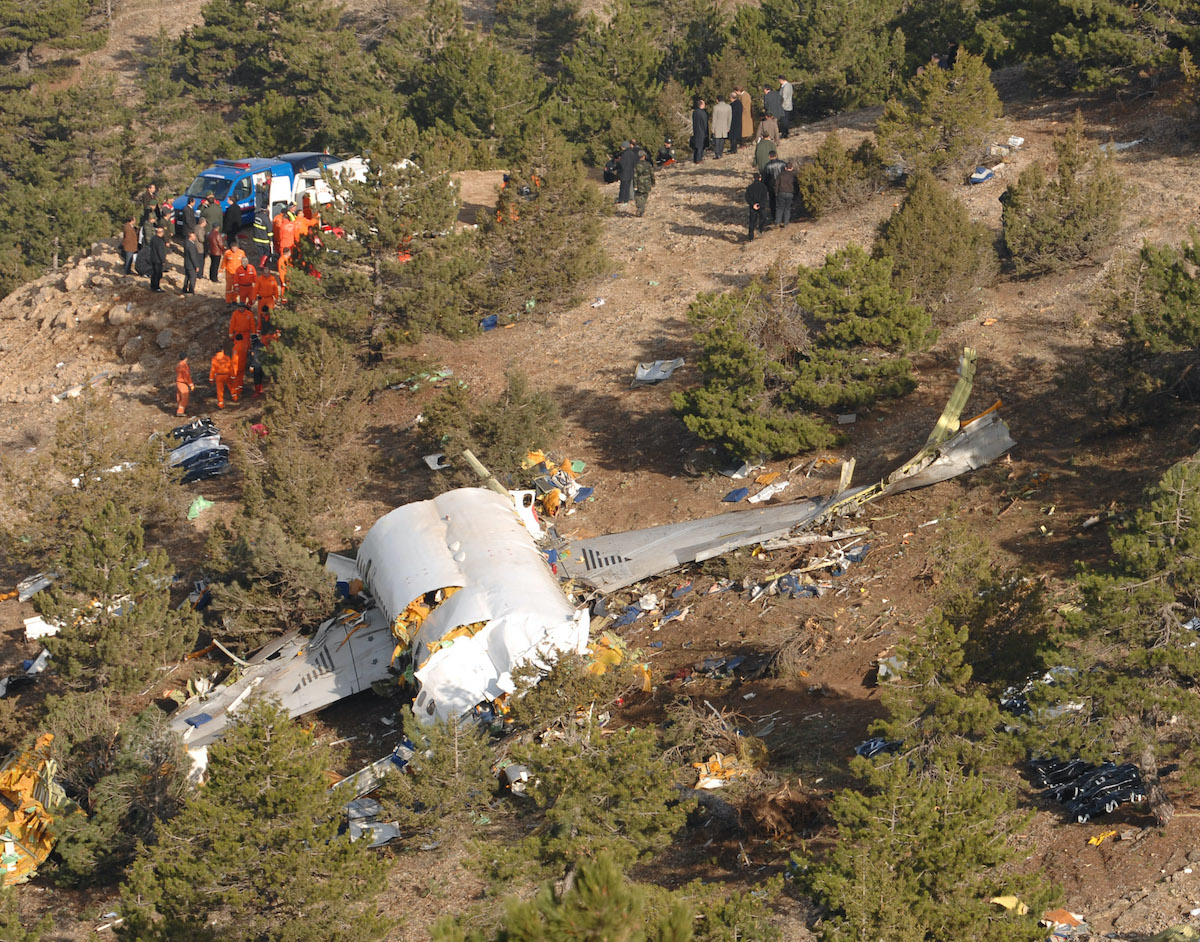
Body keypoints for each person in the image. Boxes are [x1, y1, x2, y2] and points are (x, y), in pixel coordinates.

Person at [745, 173, 769, 242]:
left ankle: (751, 237)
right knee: (763, 218)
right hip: (761, 206)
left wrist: (753, 204)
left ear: (753, 179)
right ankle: (760, 229)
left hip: (753, 207)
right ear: (760, 178)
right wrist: (760, 204)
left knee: (752, 221)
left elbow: (747, 197)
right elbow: (765, 197)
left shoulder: (750, 187)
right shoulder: (763, 187)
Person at [762, 150, 785, 222]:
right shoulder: (783, 164)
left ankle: (774, 217)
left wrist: (765, 186)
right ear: (776, 155)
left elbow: (765, 178)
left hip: (771, 186)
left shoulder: (767, 166)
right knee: (782, 201)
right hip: (782, 185)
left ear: (769, 156)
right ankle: (783, 217)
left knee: (772, 202)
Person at [633, 150, 655, 217]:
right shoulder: (648, 164)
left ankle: (640, 206)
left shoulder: (636, 165)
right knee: (645, 195)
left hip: (640, 181)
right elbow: (652, 174)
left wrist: (635, 185)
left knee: (637, 195)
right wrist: (653, 182)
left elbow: (635, 175)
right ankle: (642, 208)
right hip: (647, 181)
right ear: (644, 156)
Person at [775, 160, 798, 226]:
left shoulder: (780, 175)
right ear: (792, 168)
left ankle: (778, 222)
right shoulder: (793, 176)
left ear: (785, 168)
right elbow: (796, 186)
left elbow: (777, 184)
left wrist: (776, 192)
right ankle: (785, 223)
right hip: (790, 193)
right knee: (787, 208)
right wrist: (796, 194)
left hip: (781, 192)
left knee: (780, 208)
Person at [230, 332, 250, 398]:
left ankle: (236, 394)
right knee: (241, 378)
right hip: (243, 364)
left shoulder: (236, 347)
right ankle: (240, 390)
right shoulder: (245, 345)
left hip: (237, 366)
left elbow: (234, 359)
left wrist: (233, 369)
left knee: (235, 380)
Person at [148, 225, 167, 292]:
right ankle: (156, 287)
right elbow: (160, 252)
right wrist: (163, 260)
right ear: (161, 232)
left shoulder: (153, 238)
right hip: (158, 260)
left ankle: (152, 286)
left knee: (154, 273)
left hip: (153, 258)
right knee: (157, 274)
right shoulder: (160, 241)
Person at [691, 99, 709, 163]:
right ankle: (699, 159)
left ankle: (695, 159)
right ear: (701, 105)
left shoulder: (695, 112)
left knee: (696, 146)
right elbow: (705, 123)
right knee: (700, 146)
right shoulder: (702, 113)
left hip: (696, 130)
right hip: (702, 131)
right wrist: (706, 132)